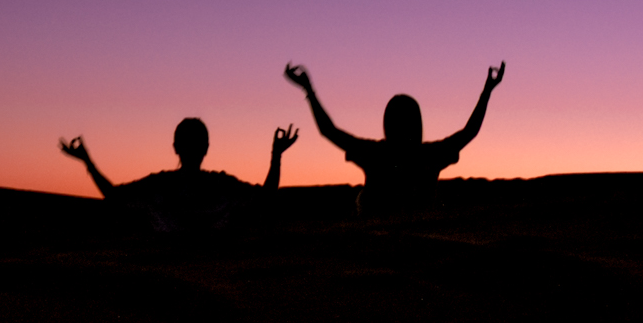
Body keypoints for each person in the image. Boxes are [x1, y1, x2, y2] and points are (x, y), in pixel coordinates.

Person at [283, 62, 505, 213]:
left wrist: (309, 90)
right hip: (419, 231)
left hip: (379, 235)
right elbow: (469, 132)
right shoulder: (429, 155)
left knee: (361, 198)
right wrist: (487, 91)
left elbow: (329, 131)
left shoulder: (376, 154)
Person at [59, 118, 298, 232]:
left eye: (195, 142)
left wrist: (87, 161)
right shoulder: (217, 184)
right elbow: (266, 196)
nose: (193, 148)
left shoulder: (165, 183)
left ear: (175, 148)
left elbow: (114, 195)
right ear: (207, 148)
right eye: (190, 142)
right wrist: (276, 155)